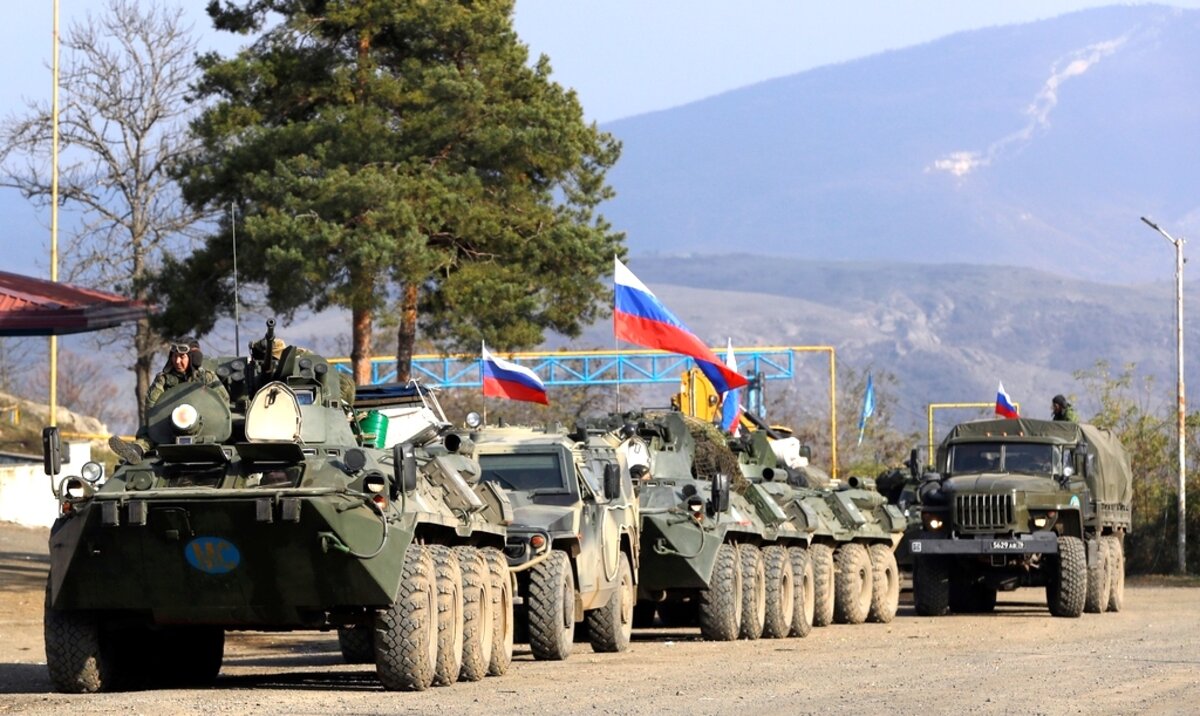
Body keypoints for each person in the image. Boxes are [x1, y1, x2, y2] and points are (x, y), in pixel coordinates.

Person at [145, 337, 229, 408]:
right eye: (175, 356)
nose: (177, 361)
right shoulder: (163, 380)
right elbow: (151, 406)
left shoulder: (207, 378)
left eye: (182, 357)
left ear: (193, 359)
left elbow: (223, 403)